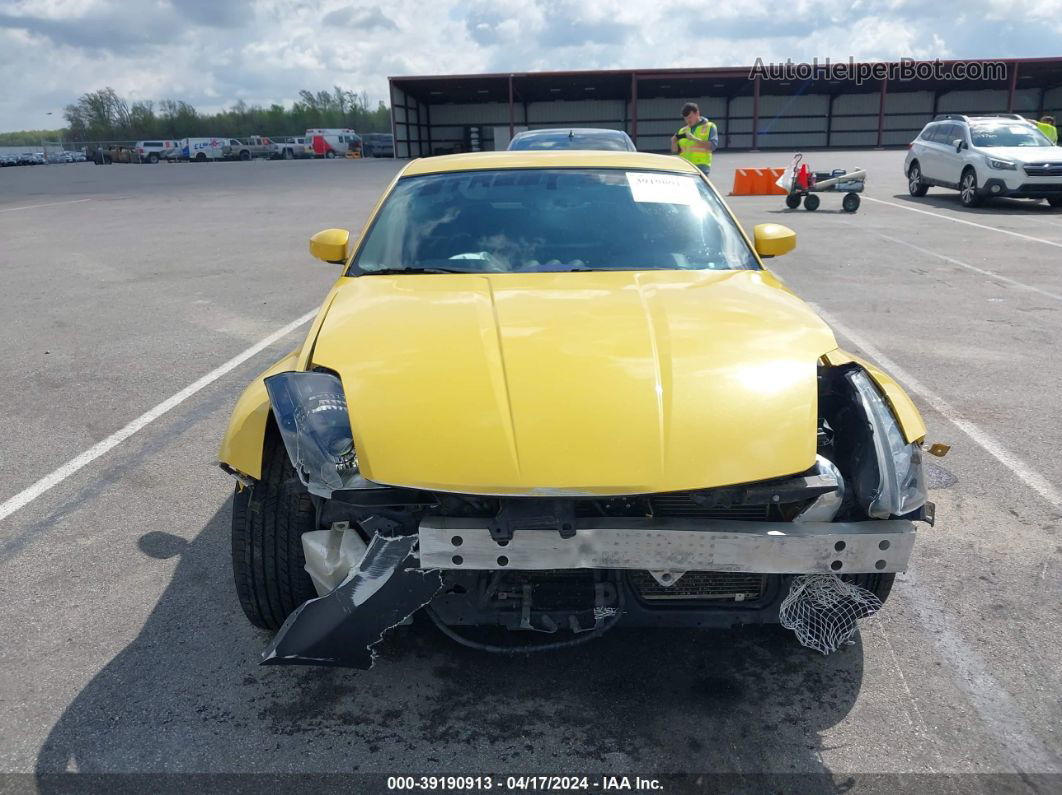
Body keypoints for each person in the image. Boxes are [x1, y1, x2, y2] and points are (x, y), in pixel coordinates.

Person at [671, 102, 719, 175]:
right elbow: (675, 151)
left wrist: (694, 139)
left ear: (697, 113)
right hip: (684, 168)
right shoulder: (682, 130)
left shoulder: (710, 127)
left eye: (690, 117)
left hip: (701, 168)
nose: (688, 121)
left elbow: (713, 146)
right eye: (685, 118)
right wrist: (673, 142)